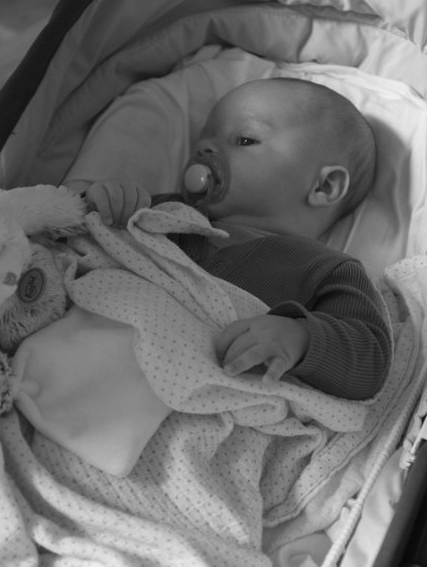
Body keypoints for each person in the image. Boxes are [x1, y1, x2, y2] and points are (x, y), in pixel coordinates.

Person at [68, 77, 391, 401]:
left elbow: (371, 360)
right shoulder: (162, 211)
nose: (205, 151)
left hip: (182, 398)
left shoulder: (327, 270)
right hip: (86, 354)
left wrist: (300, 338)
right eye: (200, 145)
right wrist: (102, 203)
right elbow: (73, 237)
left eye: (245, 140)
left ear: (324, 186)